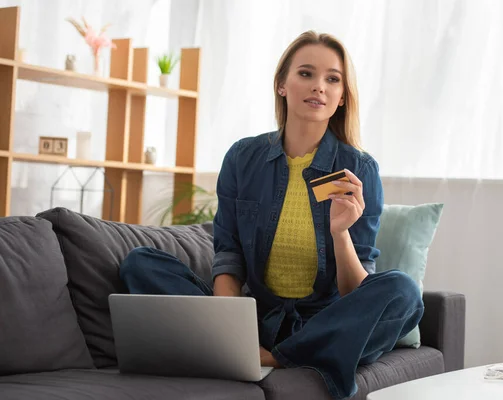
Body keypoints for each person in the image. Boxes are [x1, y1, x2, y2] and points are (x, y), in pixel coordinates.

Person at [120, 30, 423, 399]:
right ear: (282, 85)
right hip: (254, 318)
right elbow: (228, 257)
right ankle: (257, 353)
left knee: (403, 292)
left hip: (324, 323)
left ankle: (278, 358)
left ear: (342, 97)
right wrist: (228, 330)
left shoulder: (359, 169)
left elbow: (353, 289)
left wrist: (341, 233)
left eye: (332, 79)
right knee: (141, 263)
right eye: (306, 74)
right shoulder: (242, 158)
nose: (319, 88)